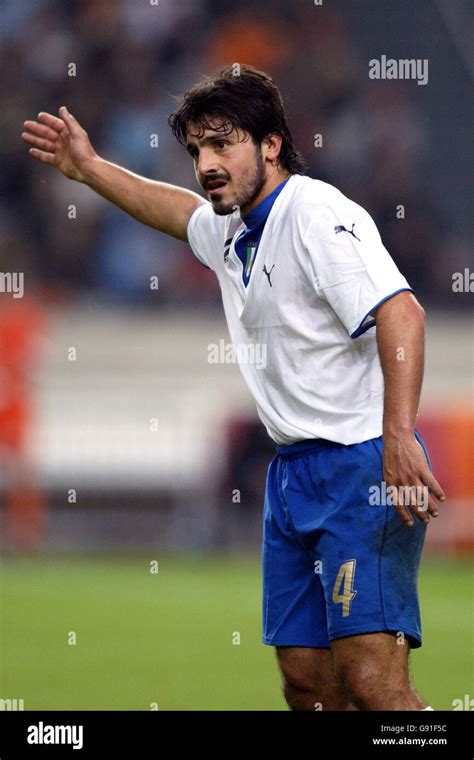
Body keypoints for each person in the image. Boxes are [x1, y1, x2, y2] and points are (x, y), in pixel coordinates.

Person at [21, 64, 446, 711]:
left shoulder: (315, 213)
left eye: (222, 143)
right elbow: (173, 210)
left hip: (361, 465)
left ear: (270, 144)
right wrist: (89, 168)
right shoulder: (230, 228)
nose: (206, 164)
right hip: (293, 476)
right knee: (306, 682)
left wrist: (397, 434)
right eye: (196, 150)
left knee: (373, 685)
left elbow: (402, 313)